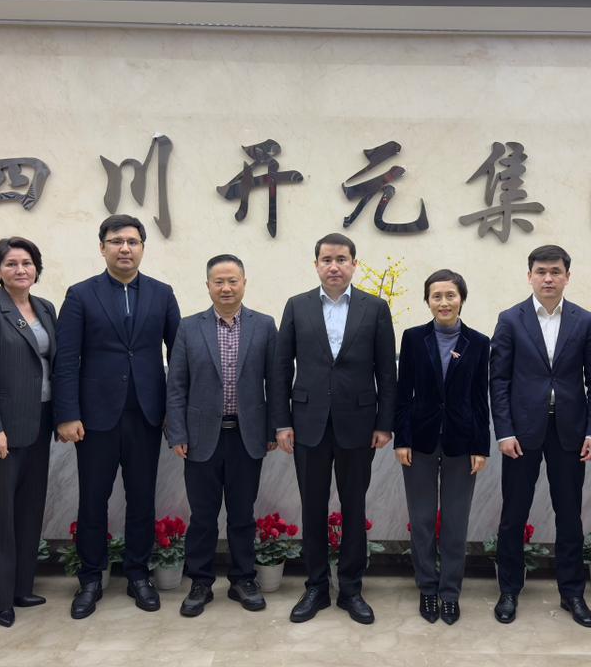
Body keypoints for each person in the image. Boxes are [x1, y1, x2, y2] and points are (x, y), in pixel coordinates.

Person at [53, 215, 180, 619]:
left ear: (142, 247)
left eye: (132, 241)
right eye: (116, 241)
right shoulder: (80, 295)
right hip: (94, 420)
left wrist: (174, 414)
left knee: (142, 498)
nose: (125, 248)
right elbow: (66, 359)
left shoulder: (162, 294)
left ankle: (138, 574)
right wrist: (67, 414)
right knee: (93, 500)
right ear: (102, 247)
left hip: (146, 415)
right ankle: (91, 578)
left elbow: (179, 359)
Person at [276, 232, 397, 625]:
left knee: (354, 506)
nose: (334, 266)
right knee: (312, 507)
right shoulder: (297, 306)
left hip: (358, 425)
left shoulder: (374, 308)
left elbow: (387, 372)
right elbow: (281, 369)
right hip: (307, 424)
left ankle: (350, 588)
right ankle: (315, 587)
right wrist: (281, 422)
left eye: (341, 259)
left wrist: (384, 423)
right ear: (316, 265)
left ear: (354, 265)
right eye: (326, 259)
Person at [489, 245, 591, 627]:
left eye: (556, 271)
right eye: (541, 271)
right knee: (513, 515)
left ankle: (572, 593)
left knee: (569, 515)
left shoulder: (585, 321)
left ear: (567, 277)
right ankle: (509, 590)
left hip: (570, 431)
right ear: (530, 276)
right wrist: (504, 431)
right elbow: (499, 381)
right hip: (522, 433)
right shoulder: (511, 319)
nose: (548, 278)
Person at [165, 254, 285, 617]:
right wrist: (177, 433)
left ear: (244, 283)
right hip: (201, 438)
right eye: (219, 281)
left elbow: (275, 382)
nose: (226, 288)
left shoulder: (264, 325)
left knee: (242, 514)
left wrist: (272, 429)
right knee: (202, 516)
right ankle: (200, 581)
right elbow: (176, 385)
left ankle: (243, 579)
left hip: (246, 437)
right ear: (208, 286)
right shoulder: (189, 327)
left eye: (233, 280)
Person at [0, 237, 58, 628]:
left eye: (27, 263)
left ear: (37, 269)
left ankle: (20, 587)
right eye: (11, 263)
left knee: (28, 511)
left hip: (38, 424)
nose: (21, 270)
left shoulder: (45, 308)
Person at [395, 269, 491, 626]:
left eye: (451, 295)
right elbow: (403, 393)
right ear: (428, 301)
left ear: (461, 299)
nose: (444, 302)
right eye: (437, 296)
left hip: (462, 443)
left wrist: (481, 446)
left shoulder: (478, 342)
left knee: (455, 521)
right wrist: (402, 438)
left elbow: (479, 398)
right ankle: (427, 588)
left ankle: (450, 593)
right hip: (419, 441)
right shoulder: (413, 338)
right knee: (421, 520)